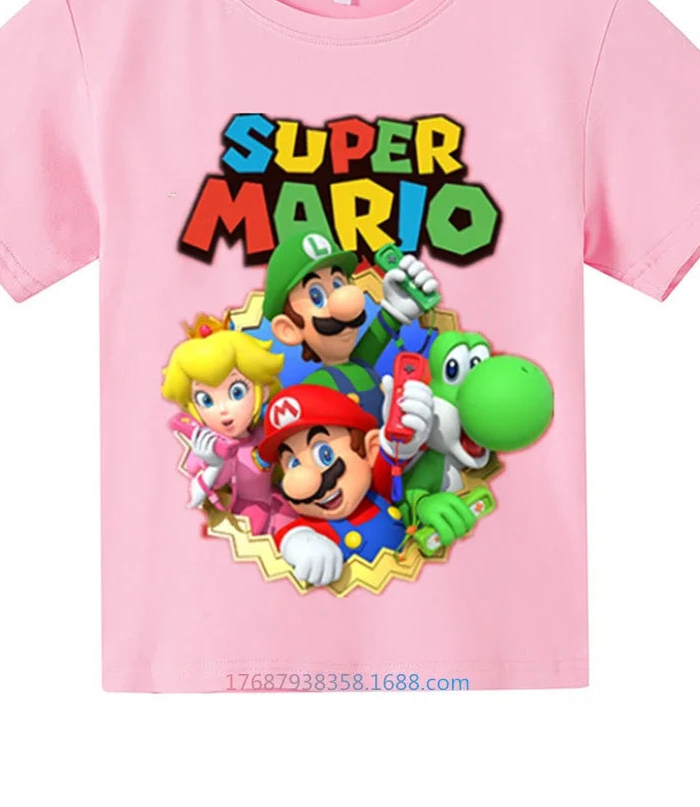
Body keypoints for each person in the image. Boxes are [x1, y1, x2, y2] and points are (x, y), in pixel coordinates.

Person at [259, 383, 476, 586]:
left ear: (369, 449)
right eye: (293, 463)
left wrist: (424, 504)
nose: (306, 482)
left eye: (325, 454)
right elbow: (286, 536)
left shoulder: (377, 490)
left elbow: (392, 465)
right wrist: (299, 543)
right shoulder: (313, 526)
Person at [263, 227, 439, 421]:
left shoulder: (360, 362)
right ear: (288, 329)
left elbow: (378, 335)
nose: (344, 304)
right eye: (316, 296)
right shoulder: (314, 389)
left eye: (338, 284)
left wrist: (399, 307)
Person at [161, 313, 287, 534]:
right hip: (244, 521)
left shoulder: (264, 431)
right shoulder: (206, 449)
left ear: (263, 390)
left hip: (278, 507)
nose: (223, 409)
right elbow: (193, 500)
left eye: (237, 392)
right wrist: (213, 465)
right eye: (206, 400)